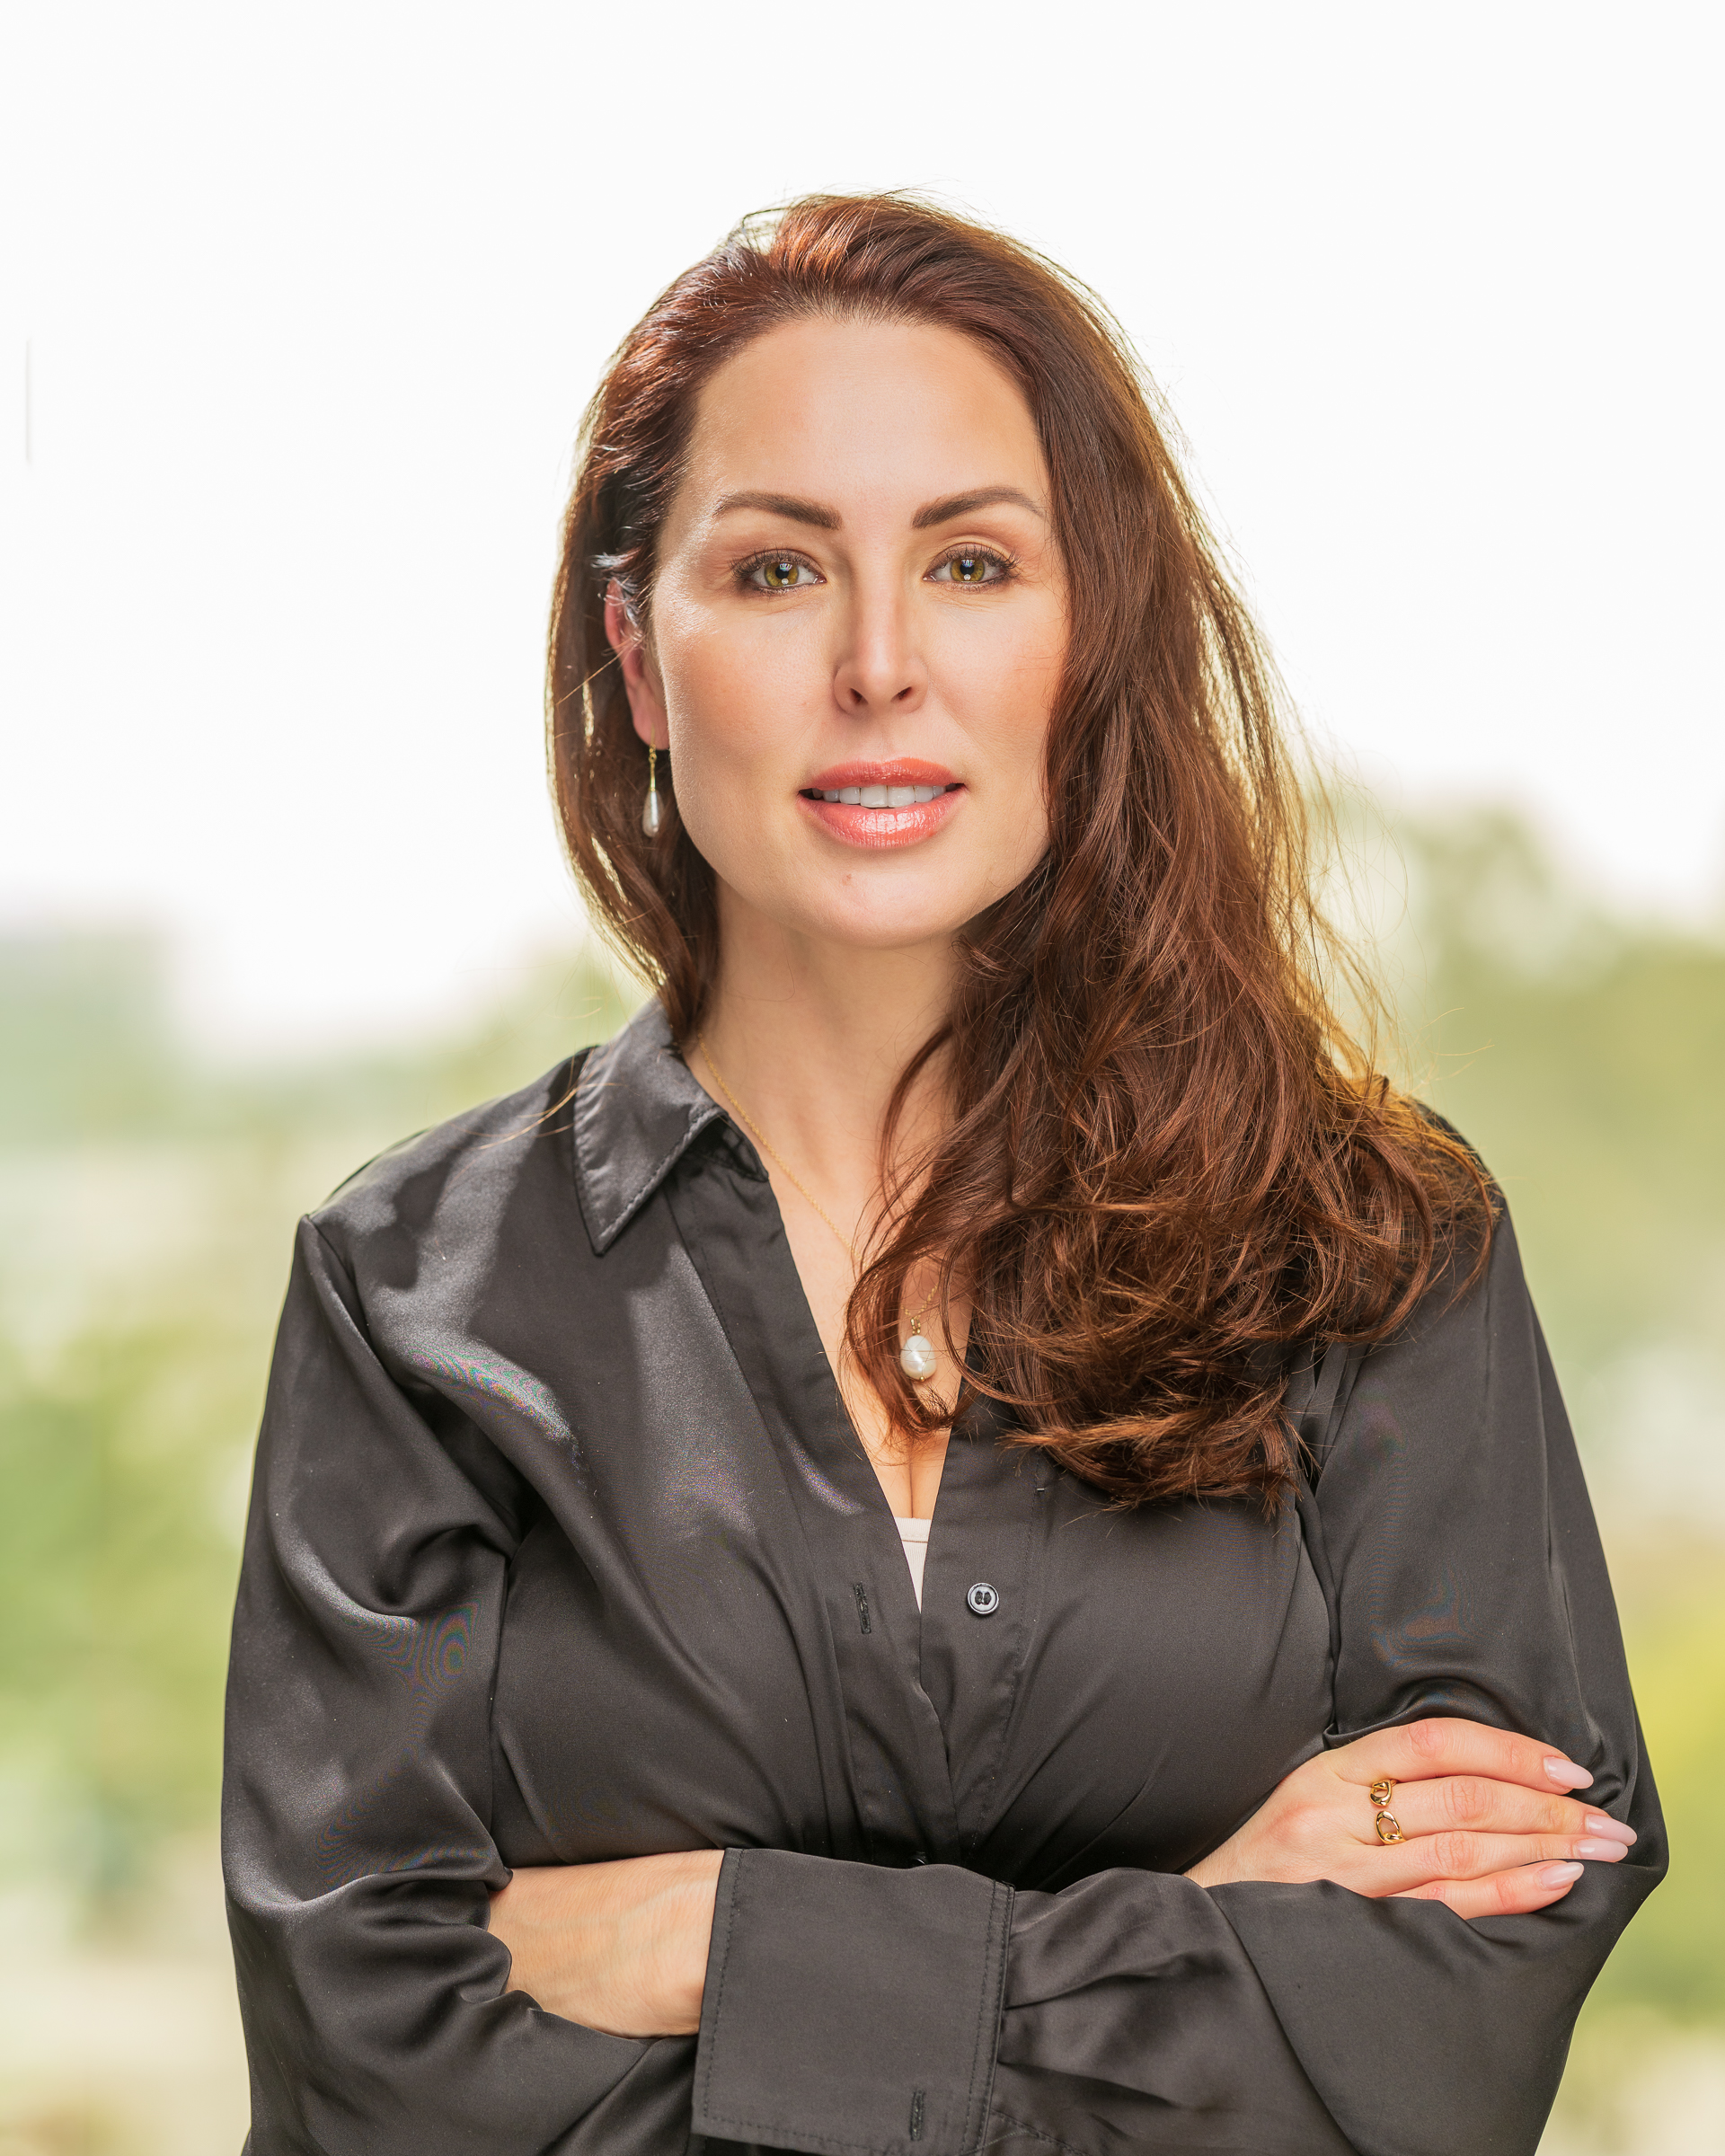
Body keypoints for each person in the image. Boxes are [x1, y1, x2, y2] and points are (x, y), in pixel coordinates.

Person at [222, 196, 1663, 2156]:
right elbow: (368, 2075)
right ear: (641, 655)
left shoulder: (1370, 1253)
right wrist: (1201, 1935)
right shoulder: (414, 1302)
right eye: (778, 568)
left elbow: (1428, 2060)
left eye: (974, 563)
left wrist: (693, 1933)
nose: (881, 664)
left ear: (1092, 637)